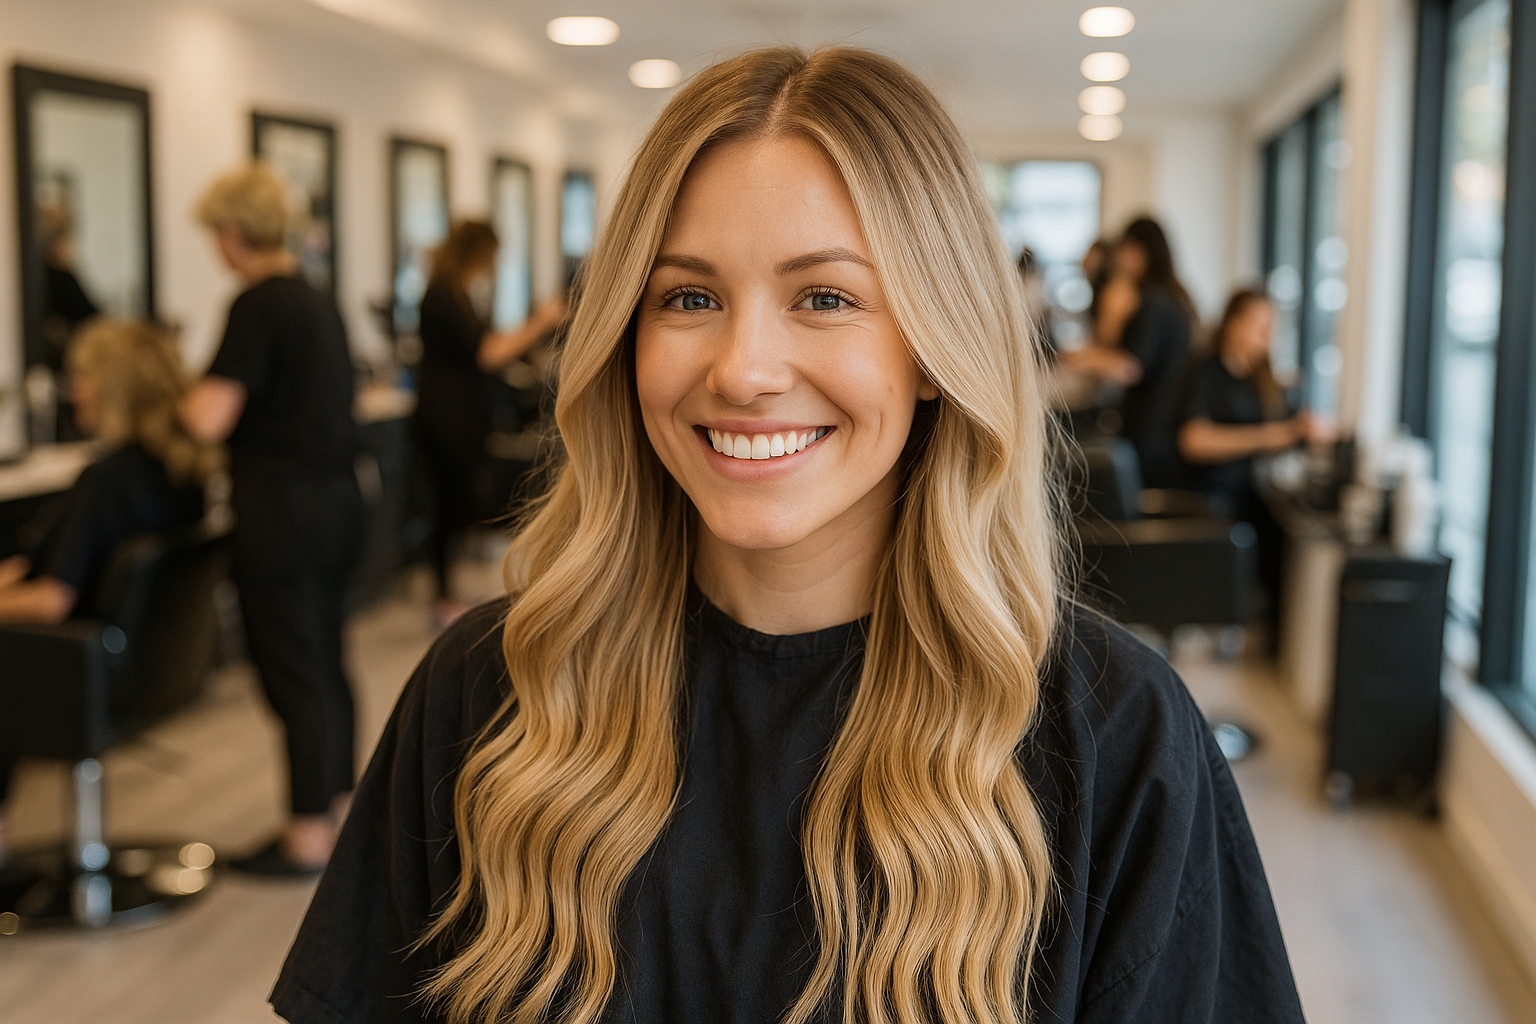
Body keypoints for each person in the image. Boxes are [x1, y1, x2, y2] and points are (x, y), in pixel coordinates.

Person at [271, 47, 1305, 1024]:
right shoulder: (486, 692)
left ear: (937, 348)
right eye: (688, 297)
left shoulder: (1112, 738)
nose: (742, 368)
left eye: (824, 297)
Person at [181, 163, 364, 876]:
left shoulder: (257, 306)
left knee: (293, 669)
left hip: (284, 513)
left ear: (232, 234)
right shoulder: (317, 300)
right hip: (340, 503)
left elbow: (206, 418)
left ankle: (306, 837)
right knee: (324, 658)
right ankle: (339, 813)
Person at [0, 319, 218, 866]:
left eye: (82, 377)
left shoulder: (109, 480)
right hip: (140, 665)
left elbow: (53, 599)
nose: (73, 389)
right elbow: (40, 566)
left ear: (113, 385)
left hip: (77, 669)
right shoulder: (182, 471)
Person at [414, 220, 566, 625]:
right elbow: (487, 353)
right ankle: (443, 599)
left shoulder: (459, 294)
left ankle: (449, 593)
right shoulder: (443, 297)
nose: (495, 264)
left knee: (455, 502)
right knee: (444, 506)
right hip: (443, 419)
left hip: (460, 417)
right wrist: (541, 321)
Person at [1179, 288, 1325, 637]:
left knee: (1291, 525)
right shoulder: (1205, 371)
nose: (1266, 335)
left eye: (1271, 326)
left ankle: (1281, 633)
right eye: (1260, 325)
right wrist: (1268, 436)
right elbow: (1193, 440)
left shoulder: (1263, 380)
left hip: (1251, 489)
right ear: (1233, 323)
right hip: (1208, 490)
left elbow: (1287, 428)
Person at [1111, 216, 1197, 488]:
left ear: (1139, 250)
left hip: (1151, 429)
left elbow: (1129, 367)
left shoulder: (1154, 301)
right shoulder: (1176, 296)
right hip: (1166, 427)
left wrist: (1076, 358)